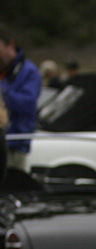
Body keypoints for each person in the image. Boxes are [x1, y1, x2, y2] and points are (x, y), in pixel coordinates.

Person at [0, 24, 42, 173]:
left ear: (10, 45)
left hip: (14, 147)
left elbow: (27, 105)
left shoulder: (28, 72)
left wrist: (2, 90)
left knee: (11, 188)